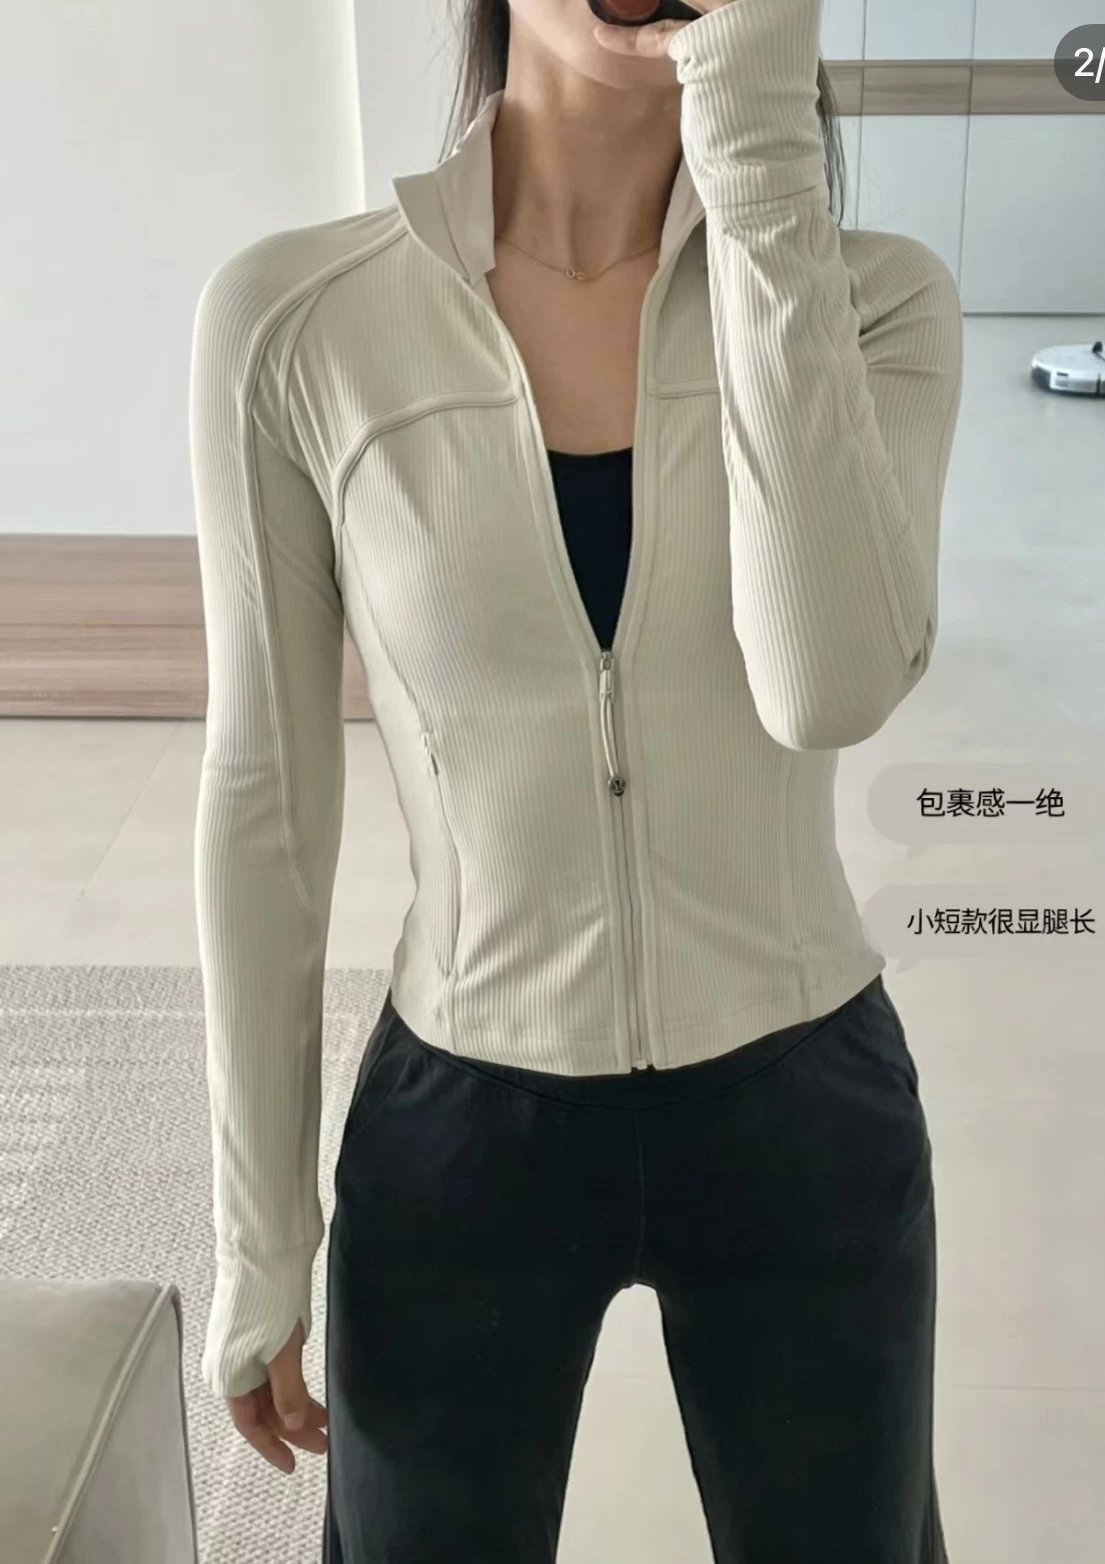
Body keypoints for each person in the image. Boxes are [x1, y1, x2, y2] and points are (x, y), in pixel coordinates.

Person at [188, 0, 963, 1559]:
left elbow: (824, 687)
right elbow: (265, 795)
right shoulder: (300, 320)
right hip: (465, 1111)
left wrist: (758, 153)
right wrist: (261, 1235)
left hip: (798, 1101)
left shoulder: (872, 301)